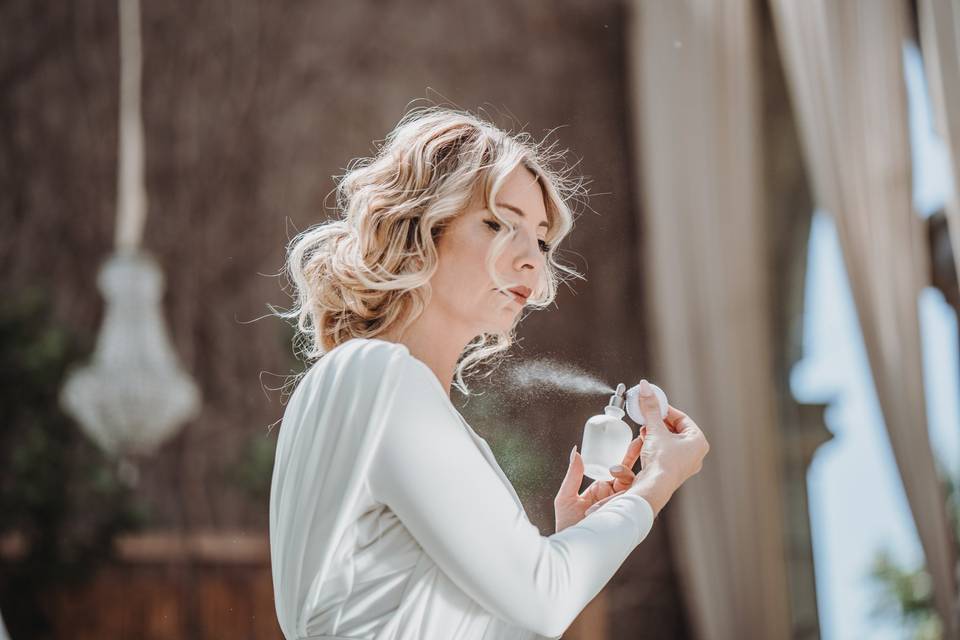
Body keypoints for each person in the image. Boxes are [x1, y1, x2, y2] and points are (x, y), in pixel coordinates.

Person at [268, 106, 710, 640]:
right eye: (499, 223)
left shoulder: (390, 391)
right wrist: (656, 485)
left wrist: (575, 539)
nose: (532, 259)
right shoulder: (380, 374)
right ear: (423, 226)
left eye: (542, 240)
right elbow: (543, 599)